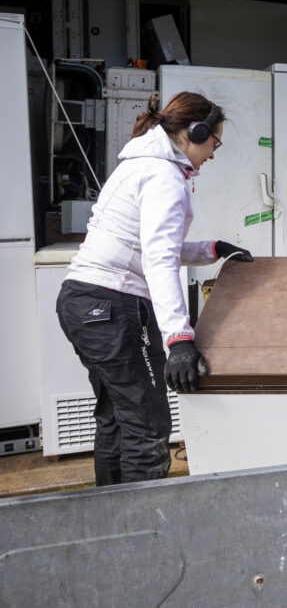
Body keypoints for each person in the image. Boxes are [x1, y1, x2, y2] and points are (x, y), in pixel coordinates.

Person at [56, 92, 253, 486]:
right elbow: (158, 260)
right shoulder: (164, 177)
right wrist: (179, 340)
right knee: (148, 427)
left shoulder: (139, 165)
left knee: (117, 417)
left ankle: (109, 518)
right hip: (115, 307)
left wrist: (212, 249)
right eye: (214, 142)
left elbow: (146, 244)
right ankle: (143, 531)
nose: (213, 154)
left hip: (81, 300)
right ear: (195, 133)